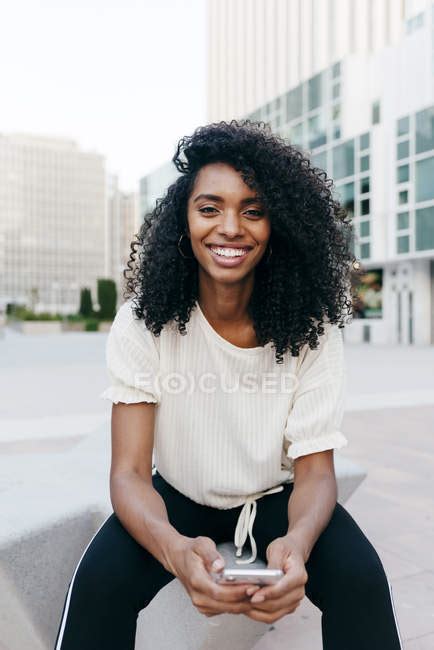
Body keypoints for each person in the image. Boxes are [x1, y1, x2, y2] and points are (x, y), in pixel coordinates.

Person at [54, 120, 403, 649]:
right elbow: (127, 474)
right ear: (185, 220)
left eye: (253, 210)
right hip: (177, 495)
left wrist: (299, 545)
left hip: (277, 497)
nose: (230, 227)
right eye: (210, 208)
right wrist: (174, 551)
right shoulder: (144, 323)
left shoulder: (311, 329)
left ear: (277, 226)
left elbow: (315, 472)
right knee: (99, 583)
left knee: (361, 578)